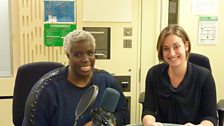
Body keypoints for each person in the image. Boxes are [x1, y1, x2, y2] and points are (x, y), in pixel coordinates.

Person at [22, 30, 130, 126]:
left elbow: (124, 113)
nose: (85, 59)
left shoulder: (106, 81)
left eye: (90, 53)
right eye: (78, 55)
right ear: (68, 56)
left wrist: (106, 122)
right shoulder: (46, 91)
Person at [142, 24, 217, 126]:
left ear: (186, 46)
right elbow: (148, 110)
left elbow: (211, 117)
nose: (172, 53)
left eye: (176, 47)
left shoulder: (204, 77)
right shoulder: (154, 74)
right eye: (166, 49)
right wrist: (149, 123)